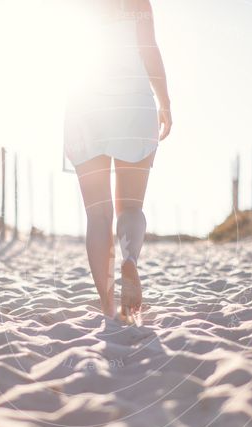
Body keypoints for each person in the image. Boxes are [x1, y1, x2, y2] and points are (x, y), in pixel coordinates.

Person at [64, 0, 172, 321]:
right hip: (134, 105)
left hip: (86, 107)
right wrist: (165, 102)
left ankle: (108, 307)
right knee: (131, 207)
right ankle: (130, 261)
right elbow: (149, 49)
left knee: (98, 217)